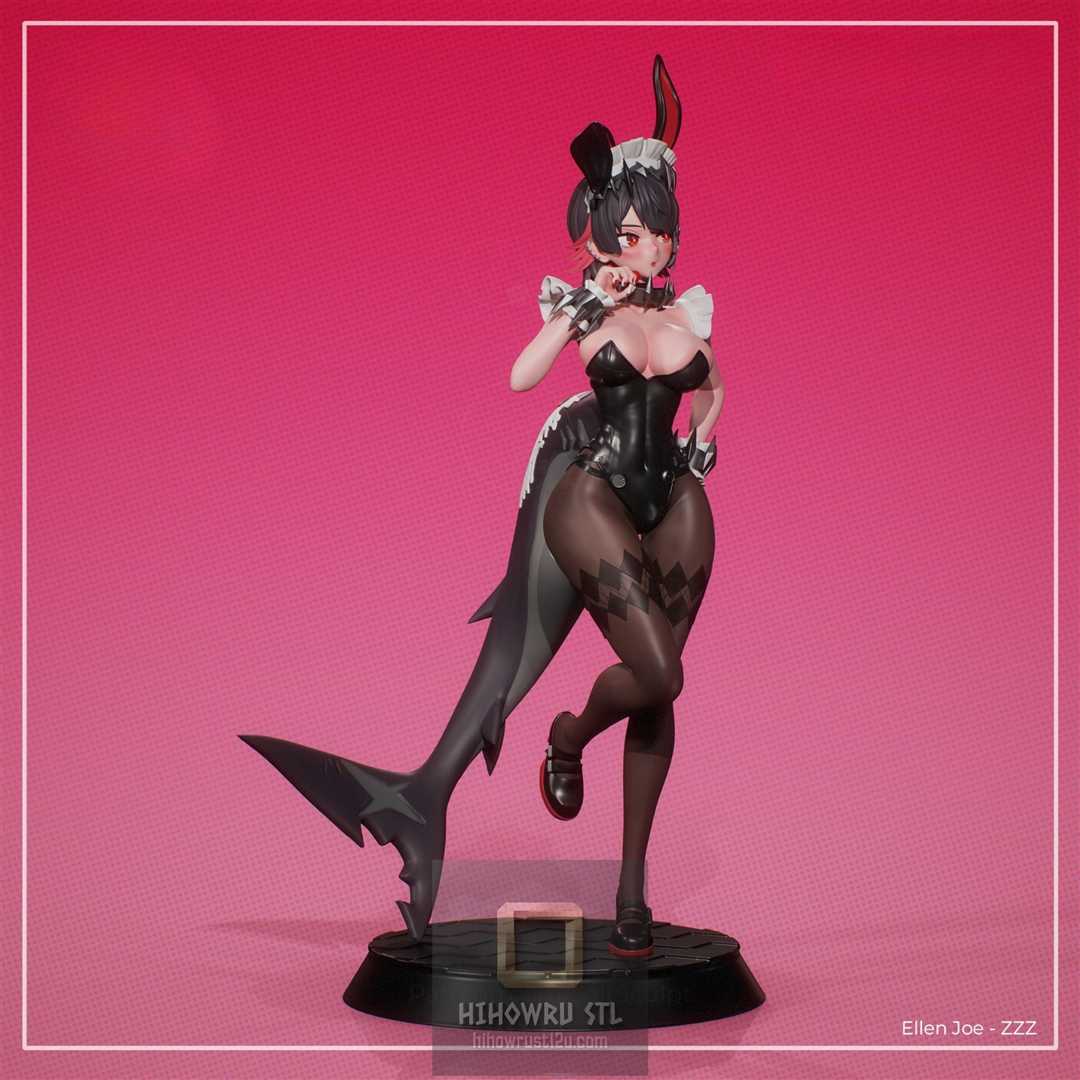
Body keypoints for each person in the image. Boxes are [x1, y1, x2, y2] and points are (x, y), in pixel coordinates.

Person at [240, 55, 723, 959]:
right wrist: (582, 302)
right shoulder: (591, 308)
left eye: (660, 232)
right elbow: (521, 376)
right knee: (657, 671)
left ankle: (631, 890)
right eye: (633, 232)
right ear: (601, 235)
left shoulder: (683, 316)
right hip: (592, 494)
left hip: (679, 499)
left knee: (663, 685)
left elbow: (716, 383)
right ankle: (559, 740)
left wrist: (706, 434)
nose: (650, 247)